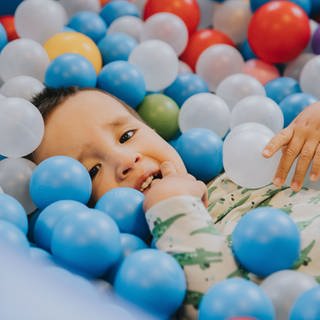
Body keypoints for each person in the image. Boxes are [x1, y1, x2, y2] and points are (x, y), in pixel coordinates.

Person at [30, 87, 320, 319]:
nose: (124, 160)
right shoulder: (158, 267)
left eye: (127, 135)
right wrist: (172, 208)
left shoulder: (241, 167)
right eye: (92, 172)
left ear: (157, 132)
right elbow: (228, 308)